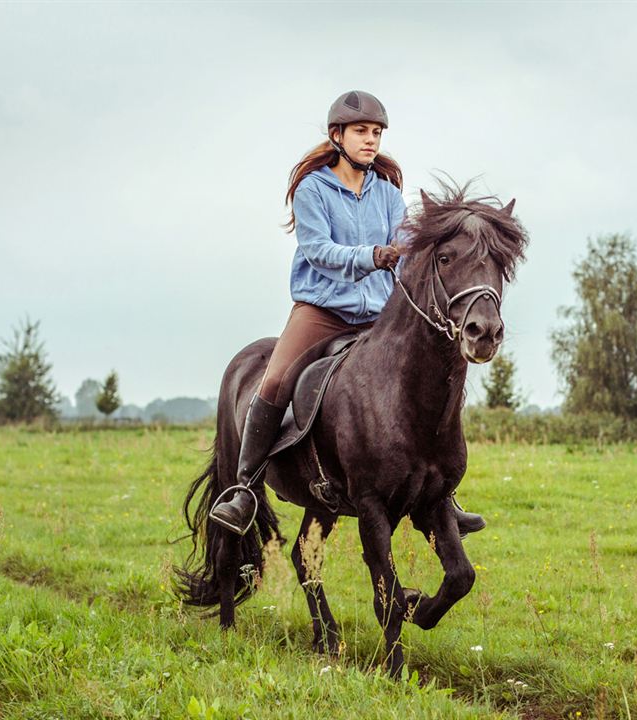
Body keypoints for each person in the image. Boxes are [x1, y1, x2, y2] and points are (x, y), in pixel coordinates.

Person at [208, 90, 486, 537]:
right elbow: (318, 251)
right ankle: (243, 489)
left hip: (379, 314)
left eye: (376, 133)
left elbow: (408, 244)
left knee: (432, 376)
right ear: (337, 135)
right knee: (276, 379)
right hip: (322, 311)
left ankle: (441, 493)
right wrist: (373, 255)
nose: (370, 140)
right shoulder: (312, 189)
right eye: (361, 131)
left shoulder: (389, 194)